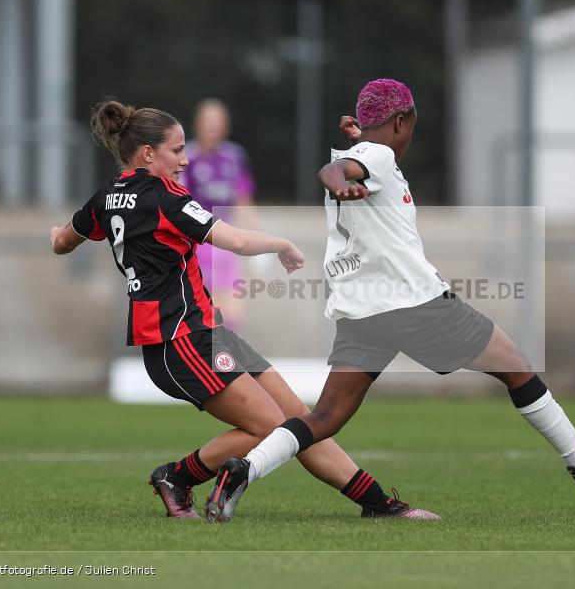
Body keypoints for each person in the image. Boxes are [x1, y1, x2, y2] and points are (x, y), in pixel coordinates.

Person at [203, 79, 575, 523]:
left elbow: (344, 165)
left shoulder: (364, 154)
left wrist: (346, 165)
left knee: (326, 416)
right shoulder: (379, 155)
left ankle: (242, 471)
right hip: (414, 302)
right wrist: (339, 181)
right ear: (401, 121)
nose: (409, 138)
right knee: (517, 366)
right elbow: (337, 172)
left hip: (362, 309)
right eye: (410, 128)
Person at [50, 99, 438, 520]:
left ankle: (377, 503)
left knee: (298, 420)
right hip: (178, 340)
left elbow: (62, 241)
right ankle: (176, 477)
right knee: (271, 428)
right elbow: (233, 239)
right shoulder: (166, 198)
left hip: (204, 333)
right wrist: (282, 244)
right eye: (177, 150)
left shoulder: (106, 197)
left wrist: (56, 232)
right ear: (148, 154)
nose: (184, 159)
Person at [181, 99, 255, 328]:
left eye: (218, 122)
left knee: (233, 313)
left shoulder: (234, 156)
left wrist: (257, 244)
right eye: (208, 122)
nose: (213, 128)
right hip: (198, 243)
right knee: (205, 311)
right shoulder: (186, 158)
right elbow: (180, 203)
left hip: (226, 243)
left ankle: (225, 360)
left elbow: (243, 199)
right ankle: (204, 360)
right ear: (197, 125)